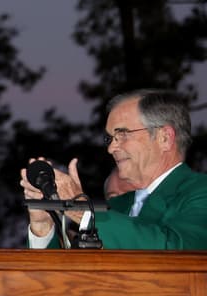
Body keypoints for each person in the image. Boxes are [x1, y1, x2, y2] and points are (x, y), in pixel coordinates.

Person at [21, 88, 207, 249]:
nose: (111, 148)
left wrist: (82, 211)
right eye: (110, 138)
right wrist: (44, 226)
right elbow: (69, 277)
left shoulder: (200, 191)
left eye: (122, 134)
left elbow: (176, 249)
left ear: (164, 138)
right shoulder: (116, 207)